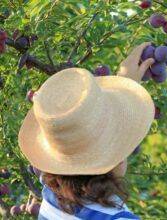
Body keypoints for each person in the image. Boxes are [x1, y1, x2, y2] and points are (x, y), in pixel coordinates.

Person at [18, 42, 156, 219]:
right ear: (117, 160)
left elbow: (72, 131)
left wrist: (126, 84)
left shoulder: (51, 192)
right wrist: (126, 87)